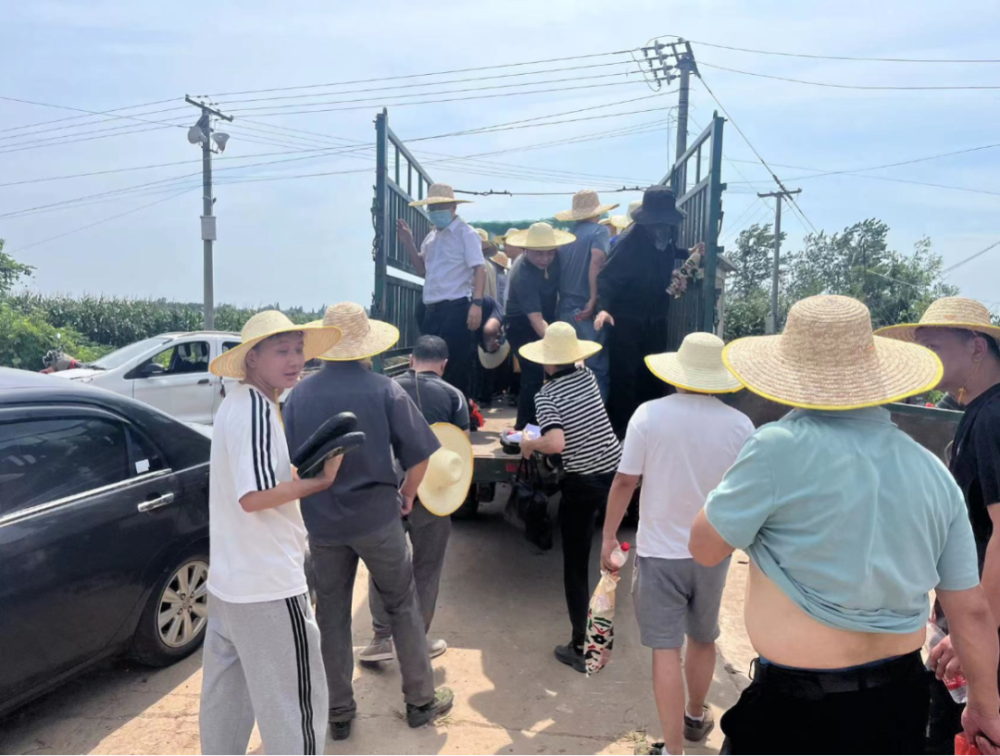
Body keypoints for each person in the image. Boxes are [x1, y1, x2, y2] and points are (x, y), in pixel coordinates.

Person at [688, 295, 1000, 756]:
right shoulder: (932, 471)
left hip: (793, 709)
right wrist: (985, 707)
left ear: (788, 375)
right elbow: (970, 610)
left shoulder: (775, 448)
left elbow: (705, 547)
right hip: (898, 704)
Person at [283, 302, 455, 741]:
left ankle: (338, 711)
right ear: (366, 346)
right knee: (402, 605)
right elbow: (421, 455)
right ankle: (420, 701)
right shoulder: (385, 390)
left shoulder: (298, 395)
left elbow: (291, 464)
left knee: (332, 615)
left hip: (323, 525)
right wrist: (408, 494)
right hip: (379, 520)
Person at [601, 332, 754, 756]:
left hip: (659, 554)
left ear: (677, 373)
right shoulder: (740, 426)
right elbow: (745, 492)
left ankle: (672, 750)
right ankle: (694, 715)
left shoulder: (649, 415)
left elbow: (625, 481)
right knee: (703, 637)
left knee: (666, 649)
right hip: (713, 552)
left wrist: (609, 535)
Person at [199, 311, 343, 756]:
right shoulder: (259, 408)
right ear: (252, 359)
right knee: (295, 708)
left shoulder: (234, 403)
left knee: (226, 703)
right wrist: (319, 482)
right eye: (282, 351)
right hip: (269, 586)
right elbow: (255, 496)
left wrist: (292, 476)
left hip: (229, 584)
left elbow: (251, 484)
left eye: (298, 349)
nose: (295, 360)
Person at [878, 297, 1000, 755]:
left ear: (976, 347)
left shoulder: (992, 417)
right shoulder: (979, 411)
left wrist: (975, 634)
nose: (925, 358)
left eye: (934, 347)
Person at [359, 335, 471, 665]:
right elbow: (461, 447)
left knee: (383, 564)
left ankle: (382, 637)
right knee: (427, 567)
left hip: (387, 489)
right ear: (444, 365)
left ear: (411, 360)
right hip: (432, 495)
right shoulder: (454, 396)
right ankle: (416, 641)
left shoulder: (386, 388)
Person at [518, 322, 622, 673]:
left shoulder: (545, 395)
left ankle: (581, 646)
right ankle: (602, 629)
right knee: (604, 557)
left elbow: (557, 442)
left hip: (583, 482)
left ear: (546, 360)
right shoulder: (587, 376)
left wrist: (530, 443)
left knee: (576, 568)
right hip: (614, 472)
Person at [594, 185, 704, 438]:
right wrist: (603, 309)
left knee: (653, 373)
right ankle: (622, 432)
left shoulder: (667, 237)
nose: (662, 227)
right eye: (658, 223)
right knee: (625, 377)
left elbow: (669, 252)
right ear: (646, 222)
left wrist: (688, 253)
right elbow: (607, 278)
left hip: (656, 318)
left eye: (666, 223)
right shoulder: (628, 243)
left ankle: (650, 430)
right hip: (626, 319)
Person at [398, 183, 486, 399]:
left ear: (454, 207)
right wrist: (409, 243)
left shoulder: (466, 233)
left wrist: (477, 304)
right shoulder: (431, 237)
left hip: (456, 308)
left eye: (441, 207)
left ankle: (459, 414)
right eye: (433, 208)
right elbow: (422, 270)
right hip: (431, 311)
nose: (436, 212)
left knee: (456, 367)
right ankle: (434, 411)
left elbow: (479, 268)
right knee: (429, 368)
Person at [503, 222, 573, 430]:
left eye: (549, 253)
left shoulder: (556, 260)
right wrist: (560, 346)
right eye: (539, 253)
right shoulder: (523, 274)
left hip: (546, 321)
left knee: (556, 373)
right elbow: (535, 319)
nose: (545, 258)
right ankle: (525, 427)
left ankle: (551, 423)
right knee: (533, 373)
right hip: (520, 324)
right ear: (526, 250)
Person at [553, 189, 619, 400]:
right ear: (597, 212)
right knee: (596, 368)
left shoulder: (566, 237)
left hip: (564, 308)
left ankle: (570, 413)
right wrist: (593, 298)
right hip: (585, 309)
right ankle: (596, 416)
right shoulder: (600, 232)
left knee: (567, 369)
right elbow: (597, 260)